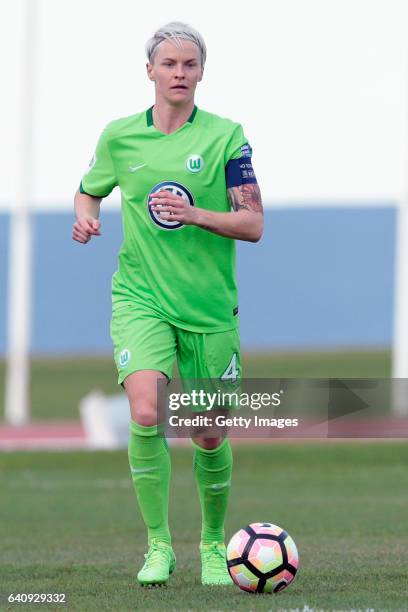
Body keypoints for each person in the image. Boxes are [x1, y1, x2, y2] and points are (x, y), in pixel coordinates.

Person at [72, 21, 263, 587]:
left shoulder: (227, 137)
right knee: (149, 413)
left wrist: (196, 214)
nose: (179, 73)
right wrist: (87, 212)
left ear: (201, 72)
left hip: (207, 307)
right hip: (141, 298)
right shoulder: (120, 136)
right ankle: (159, 546)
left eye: (189, 65)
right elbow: (90, 186)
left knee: (207, 432)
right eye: (169, 64)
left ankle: (210, 544)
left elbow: (252, 223)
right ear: (150, 71)